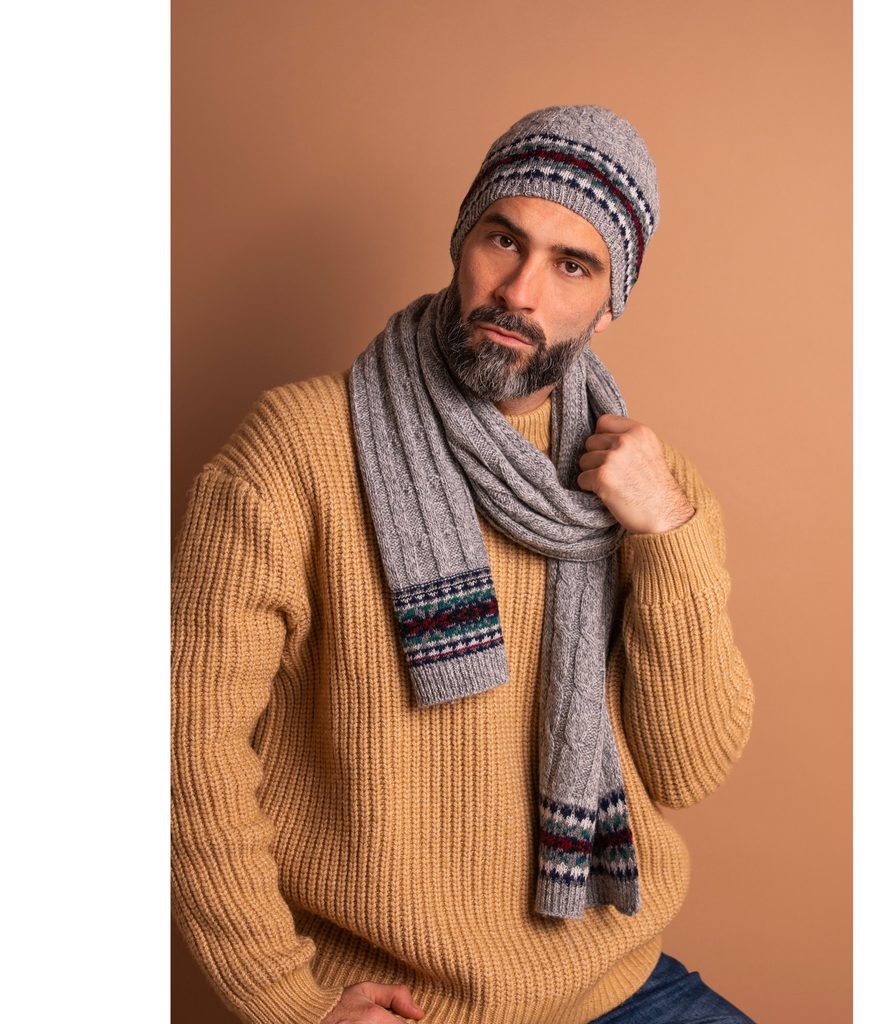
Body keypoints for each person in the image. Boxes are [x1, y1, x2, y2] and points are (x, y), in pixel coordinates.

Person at [171, 104, 756, 1024]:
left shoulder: (646, 486)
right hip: (400, 1001)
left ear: (610, 303)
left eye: (572, 265)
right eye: (503, 239)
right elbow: (183, 750)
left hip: (610, 983)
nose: (521, 291)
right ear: (461, 242)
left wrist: (665, 532)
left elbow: (687, 769)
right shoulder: (294, 452)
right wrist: (287, 1003)